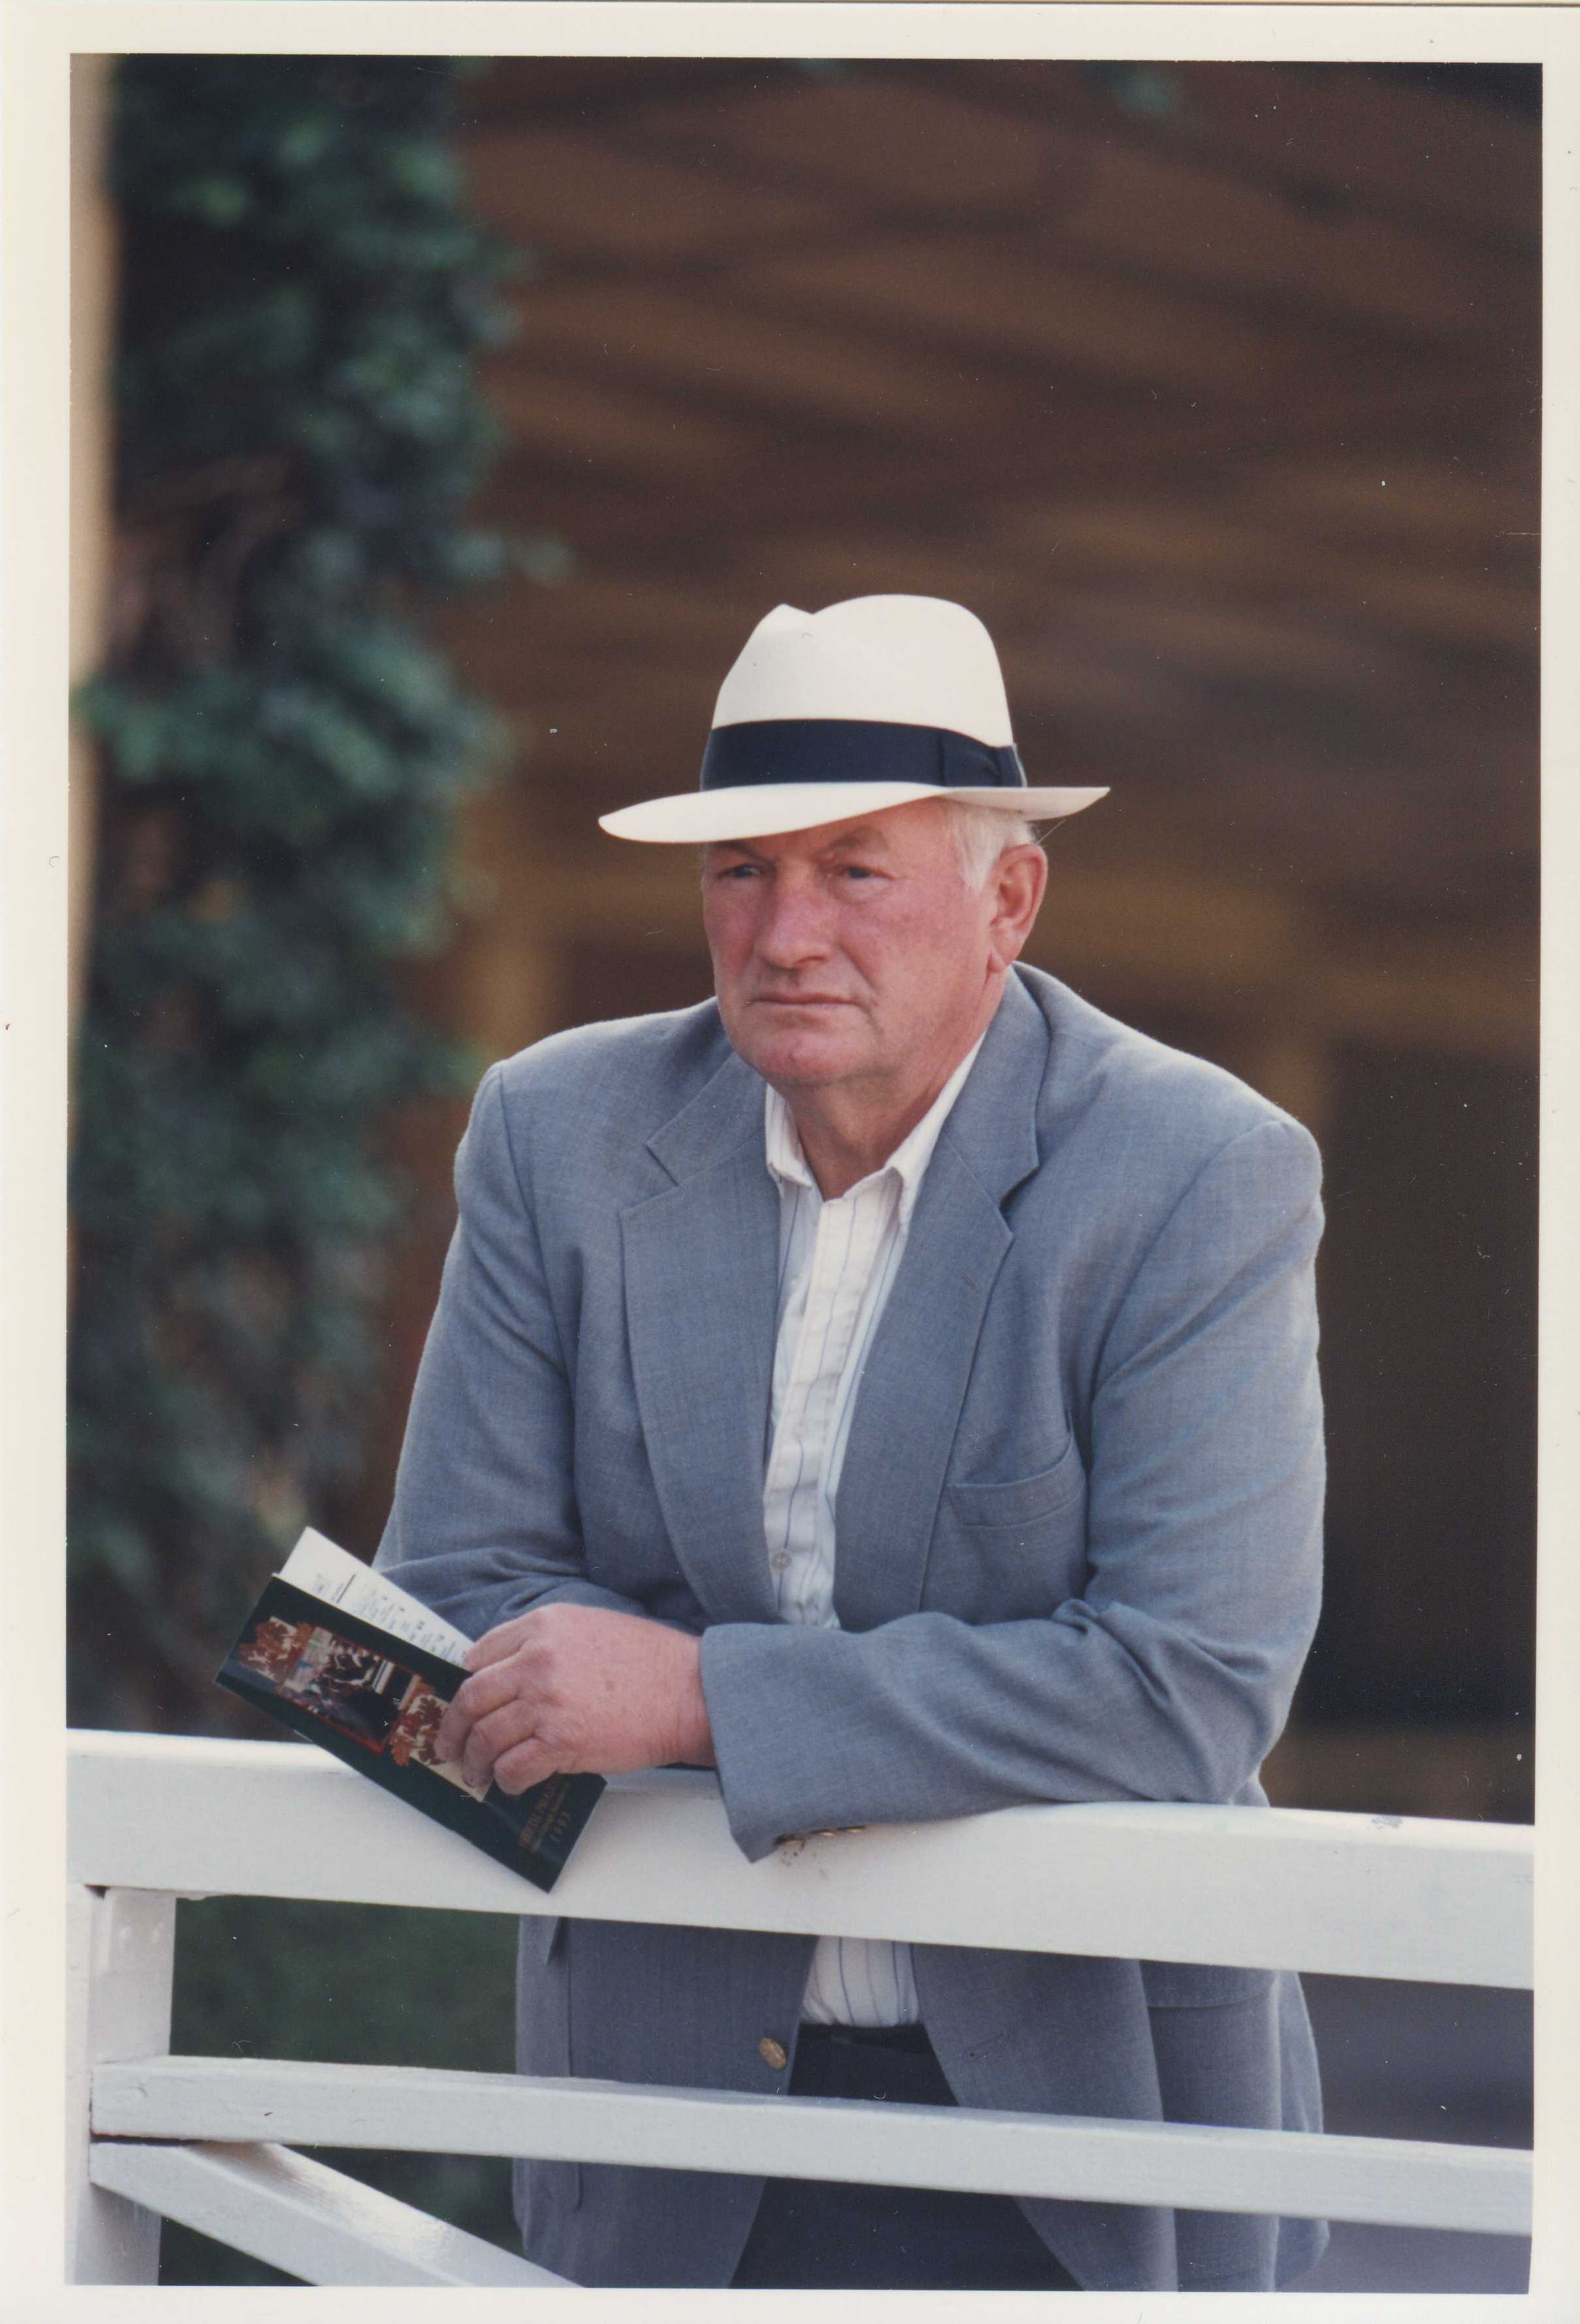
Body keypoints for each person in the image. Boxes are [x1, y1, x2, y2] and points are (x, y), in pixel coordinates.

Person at [375, 595, 1328, 2293]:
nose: (785, 928)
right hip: (664, 2126)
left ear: (1007, 898)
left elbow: (1189, 1685)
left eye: (854, 868)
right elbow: (445, 1590)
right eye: (741, 867)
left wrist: (694, 1696)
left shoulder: (1197, 1167)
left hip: (1085, 2135)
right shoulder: (555, 1129)